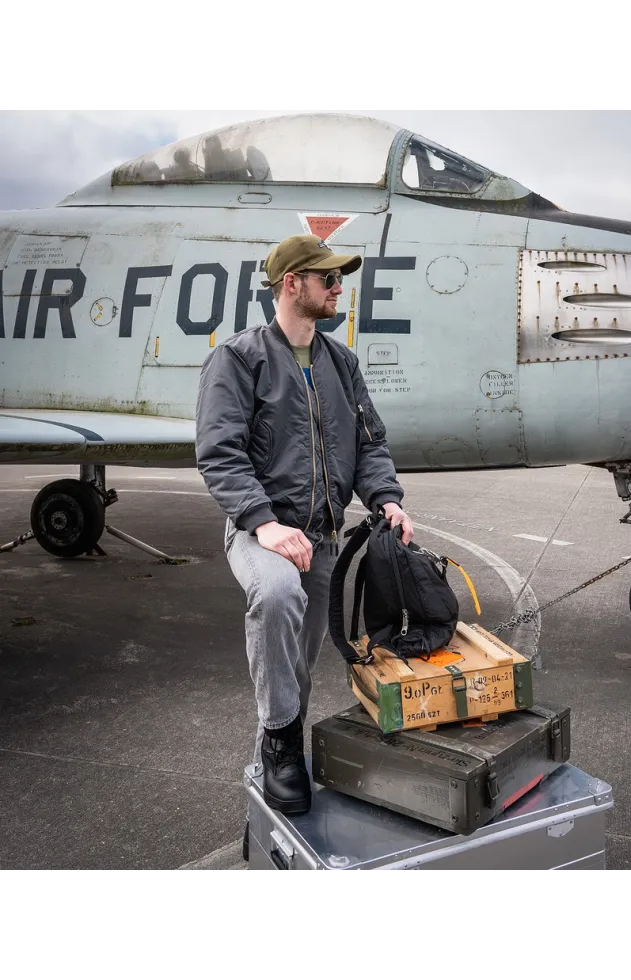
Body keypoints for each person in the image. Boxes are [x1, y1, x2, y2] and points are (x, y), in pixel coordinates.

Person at [195, 234, 413, 815]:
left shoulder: (341, 362)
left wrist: (386, 499)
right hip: (261, 532)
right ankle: (282, 746)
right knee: (276, 594)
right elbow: (220, 454)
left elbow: (369, 444)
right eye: (328, 278)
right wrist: (263, 523)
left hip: (323, 540)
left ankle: (273, 770)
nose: (339, 288)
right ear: (292, 284)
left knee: (297, 671)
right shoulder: (238, 358)